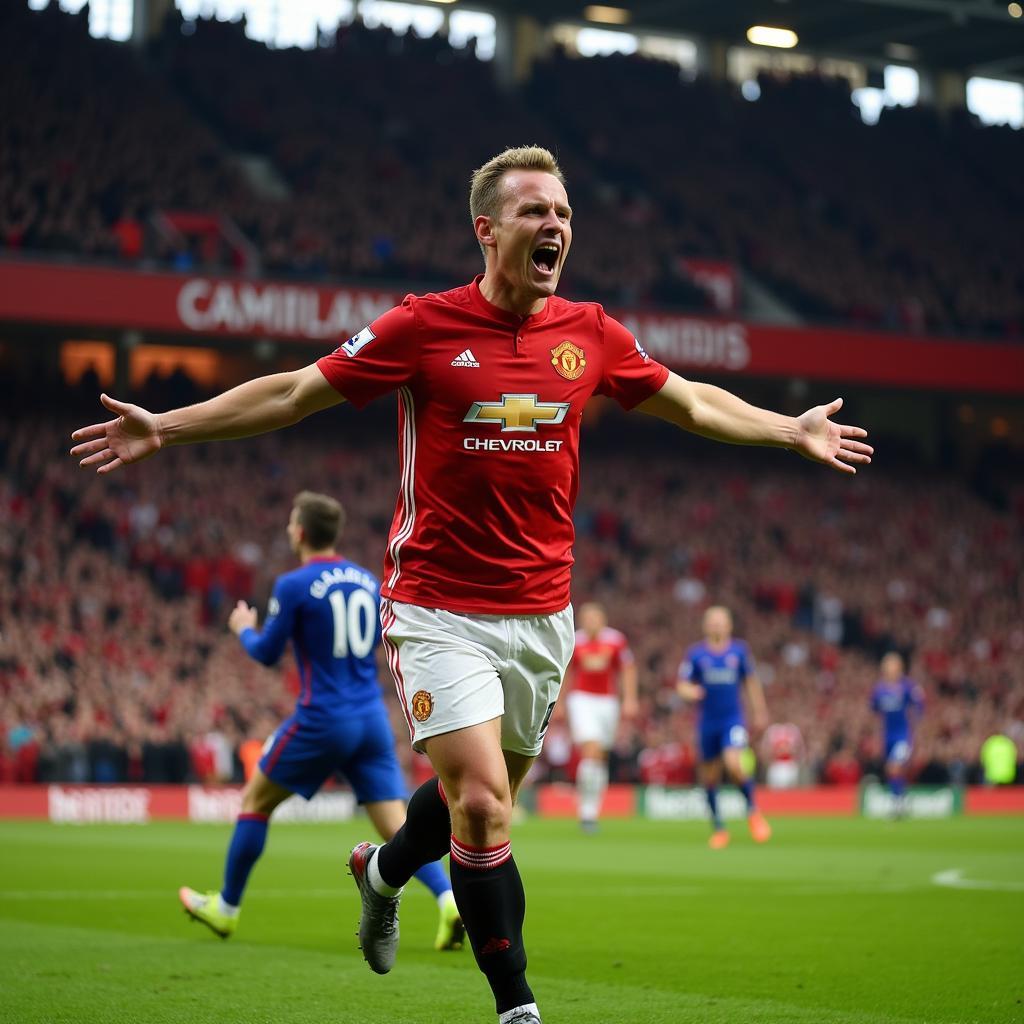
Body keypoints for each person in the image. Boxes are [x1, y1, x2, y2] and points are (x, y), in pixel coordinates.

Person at [71, 144, 872, 1024]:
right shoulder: (422, 326)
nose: (555, 226)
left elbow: (691, 401)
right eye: (536, 211)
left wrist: (786, 429)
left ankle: (379, 873)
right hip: (435, 610)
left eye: (564, 213)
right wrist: (169, 427)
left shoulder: (592, 333)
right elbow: (296, 393)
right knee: (485, 808)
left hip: (542, 617)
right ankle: (518, 1008)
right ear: (486, 229)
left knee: (471, 804)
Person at [177, 490, 462, 953]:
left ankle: (225, 909)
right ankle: (449, 899)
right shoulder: (368, 580)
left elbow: (267, 654)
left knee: (255, 800)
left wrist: (242, 628)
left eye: (292, 523)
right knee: (394, 822)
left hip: (323, 718)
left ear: (301, 531)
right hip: (370, 717)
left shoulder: (293, 585)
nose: (290, 530)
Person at [677, 605, 771, 849]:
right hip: (707, 722)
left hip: (733, 719)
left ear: (729, 625)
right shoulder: (696, 654)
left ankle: (753, 812)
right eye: (712, 621)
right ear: (705, 626)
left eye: (721, 621)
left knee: (734, 763)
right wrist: (691, 691)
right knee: (710, 776)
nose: (716, 625)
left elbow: (751, 681)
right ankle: (719, 828)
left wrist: (759, 710)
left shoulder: (739, 652)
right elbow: (682, 684)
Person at [563, 601, 638, 831]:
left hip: (608, 702)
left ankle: (592, 808)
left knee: (600, 756)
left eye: (595, 618)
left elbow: (627, 669)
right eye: (587, 618)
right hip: (582, 699)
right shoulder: (575, 640)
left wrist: (630, 699)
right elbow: (567, 672)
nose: (591, 622)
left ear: (602, 619)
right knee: (591, 749)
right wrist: (559, 703)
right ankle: (586, 812)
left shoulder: (615, 641)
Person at [870, 652, 924, 816]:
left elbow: (920, 704)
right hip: (887, 736)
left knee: (894, 767)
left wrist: (917, 725)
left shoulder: (907, 686)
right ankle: (901, 799)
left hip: (903, 735)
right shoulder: (879, 689)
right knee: (891, 769)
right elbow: (874, 709)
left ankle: (897, 804)